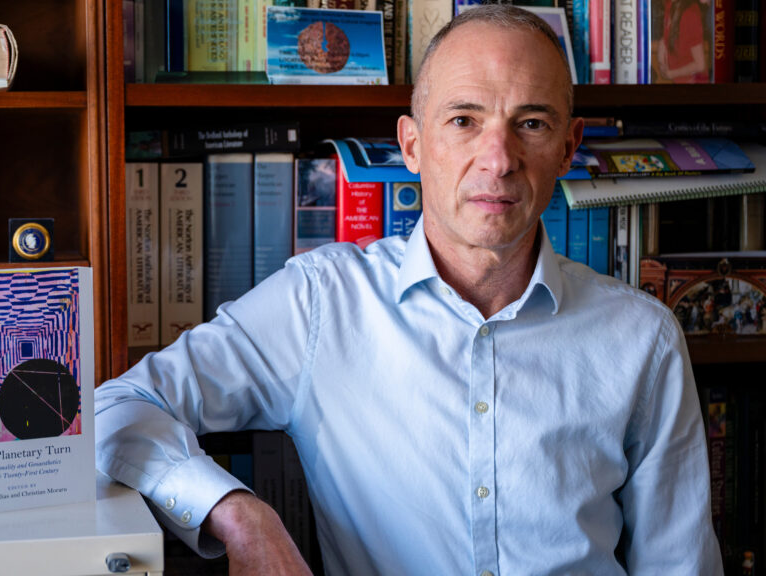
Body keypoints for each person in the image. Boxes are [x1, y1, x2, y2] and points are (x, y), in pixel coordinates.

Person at [96, 5, 723, 575]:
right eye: (463, 120)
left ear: (568, 147)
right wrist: (238, 514)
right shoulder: (323, 304)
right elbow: (111, 409)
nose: (498, 158)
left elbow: (680, 564)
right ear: (413, 145)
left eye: (530, 123)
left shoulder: (643, 337)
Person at [655, 0, 710, 83]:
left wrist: (671, 74)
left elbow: (700, 65)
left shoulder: (690, 13)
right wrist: (662, 45)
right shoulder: (669, 4)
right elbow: (669, 34)